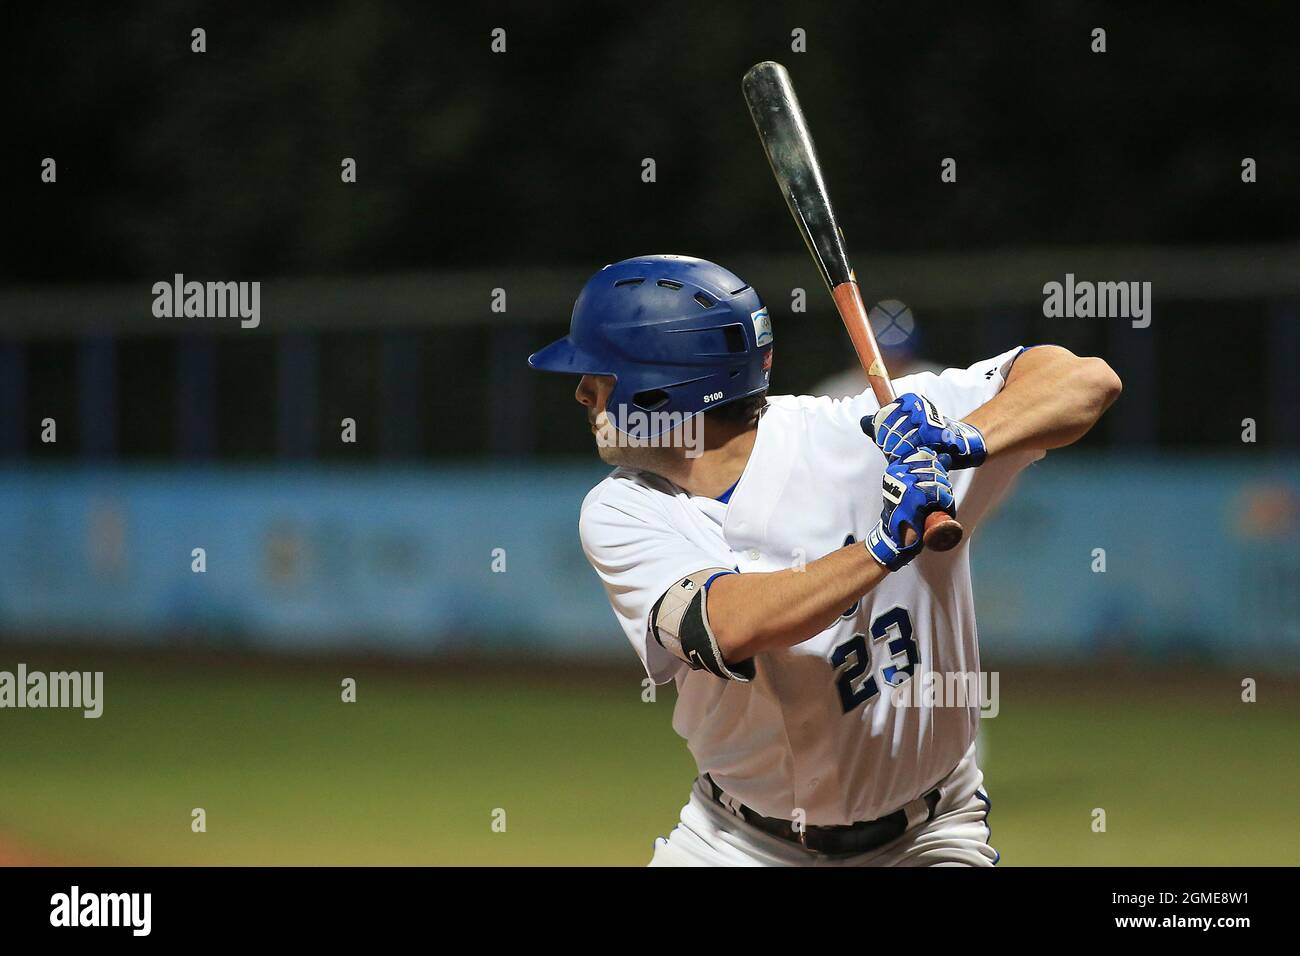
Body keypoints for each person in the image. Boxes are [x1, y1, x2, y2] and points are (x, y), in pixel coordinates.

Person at [528, 254, 1121, 866]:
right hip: (736, 842)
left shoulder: (858, 431)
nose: (581, 392)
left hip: (927, 837)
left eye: (596, 374)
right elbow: (727, 624)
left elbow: (1086, 380)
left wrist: (961, 441)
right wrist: (885, 546)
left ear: (660, 383)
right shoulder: (621, 510)